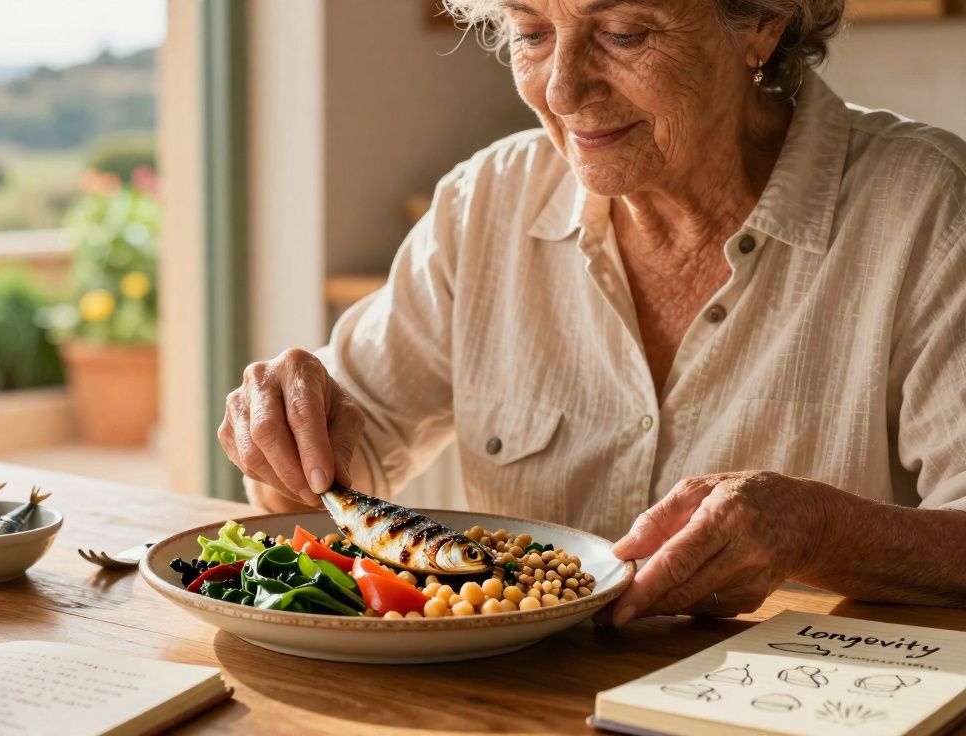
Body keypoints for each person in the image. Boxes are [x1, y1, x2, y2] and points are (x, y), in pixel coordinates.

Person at [218, 0, 966, 625]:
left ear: (761, 22)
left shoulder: (931, 212)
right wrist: (286, 436)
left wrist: (816, 529)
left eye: (624, 34)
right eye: (532, 33)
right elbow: (321, 474)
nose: (564, 91)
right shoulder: (482, 206)